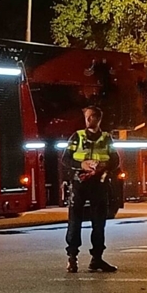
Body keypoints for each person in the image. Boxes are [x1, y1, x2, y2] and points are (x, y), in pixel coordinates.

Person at [63, 106, 120, 273]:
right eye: (86, 117)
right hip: (80, 182)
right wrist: (82, 164)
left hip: (99, 183)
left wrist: (103, 165)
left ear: (98, 119)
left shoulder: (106, 138)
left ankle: (97, 258)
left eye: (91, 117)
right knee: (75, 220)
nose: (88, 121)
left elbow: (115, 160)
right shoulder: (77, 137)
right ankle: (72, 258)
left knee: (99, 222)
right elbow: (66, 159)